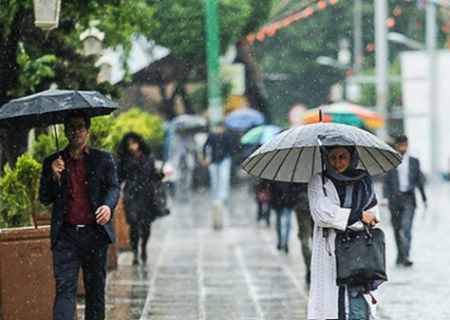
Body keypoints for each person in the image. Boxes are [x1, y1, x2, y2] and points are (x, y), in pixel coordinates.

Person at [39, 112, 120, 320]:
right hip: (66, 236)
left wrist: (108, 206)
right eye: (72, 128)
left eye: (80, 127)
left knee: (95, 291)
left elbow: (113, 188)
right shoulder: (53, 162)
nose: (76, 132)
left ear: (88, 131)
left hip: (94, 234)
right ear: (65, 132)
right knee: (65, 290)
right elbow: (44, 198)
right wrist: (54, 177)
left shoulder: (103, 159)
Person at [307, 145, 380, 320]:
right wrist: (358, 215)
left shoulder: (364, 181)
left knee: (358, 310)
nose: (337, 162)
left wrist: (341, 218)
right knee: (331, 306)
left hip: (358, 254)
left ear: (352, 157)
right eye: (332, 157)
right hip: (329, 251)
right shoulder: (319, 182)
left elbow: (374, 217)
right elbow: (321, 214)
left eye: (342, 156)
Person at [117, 132, 163, 265]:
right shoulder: (125, 160)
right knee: (133, 224)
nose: (132, 147)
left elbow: (153, 175)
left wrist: (161, 174)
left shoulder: (148, 158)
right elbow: (120, 177)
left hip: (147, 195)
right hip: (131, 196)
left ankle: (143, 248)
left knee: (146, 226)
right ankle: (135, 252)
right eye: (129, 144)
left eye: (134, 143)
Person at [382, 134, 427, 267]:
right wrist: (384, 197)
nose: (402, 148)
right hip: (395, 199)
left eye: (404, 145)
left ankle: (405, 256)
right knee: (397, 228)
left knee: (406, 228)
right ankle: (400, 255)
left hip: (409, 198)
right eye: (400, 145)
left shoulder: (414, 161)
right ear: (396, 146)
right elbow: (386, 182)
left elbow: (419, 181)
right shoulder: (390, 161)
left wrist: (424, 199)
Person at [201, 122, 234, 203]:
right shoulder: (212, 136)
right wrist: (205, 158)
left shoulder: (227, 136)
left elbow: (231, 147)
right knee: (214, 179)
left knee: (223, 177)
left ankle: (222, 196)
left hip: (224, 159)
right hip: (213, 160)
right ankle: (216, 195)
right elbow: (205, 147)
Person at [291, 183, 314, 285]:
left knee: (305, 238)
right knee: (315, 238)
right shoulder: (319, 170)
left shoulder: (296, 171)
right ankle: (312, 264)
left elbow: (291, 189)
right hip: (313, 205)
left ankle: (309, 264)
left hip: (302, 204)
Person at [269, 181, 298, 253]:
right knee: (284, 222)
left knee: (283, 222)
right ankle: (283, 241)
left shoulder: (277, 175)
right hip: (282, 200)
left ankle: (283, 241)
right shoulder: (290, 175)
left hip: (283, 201)